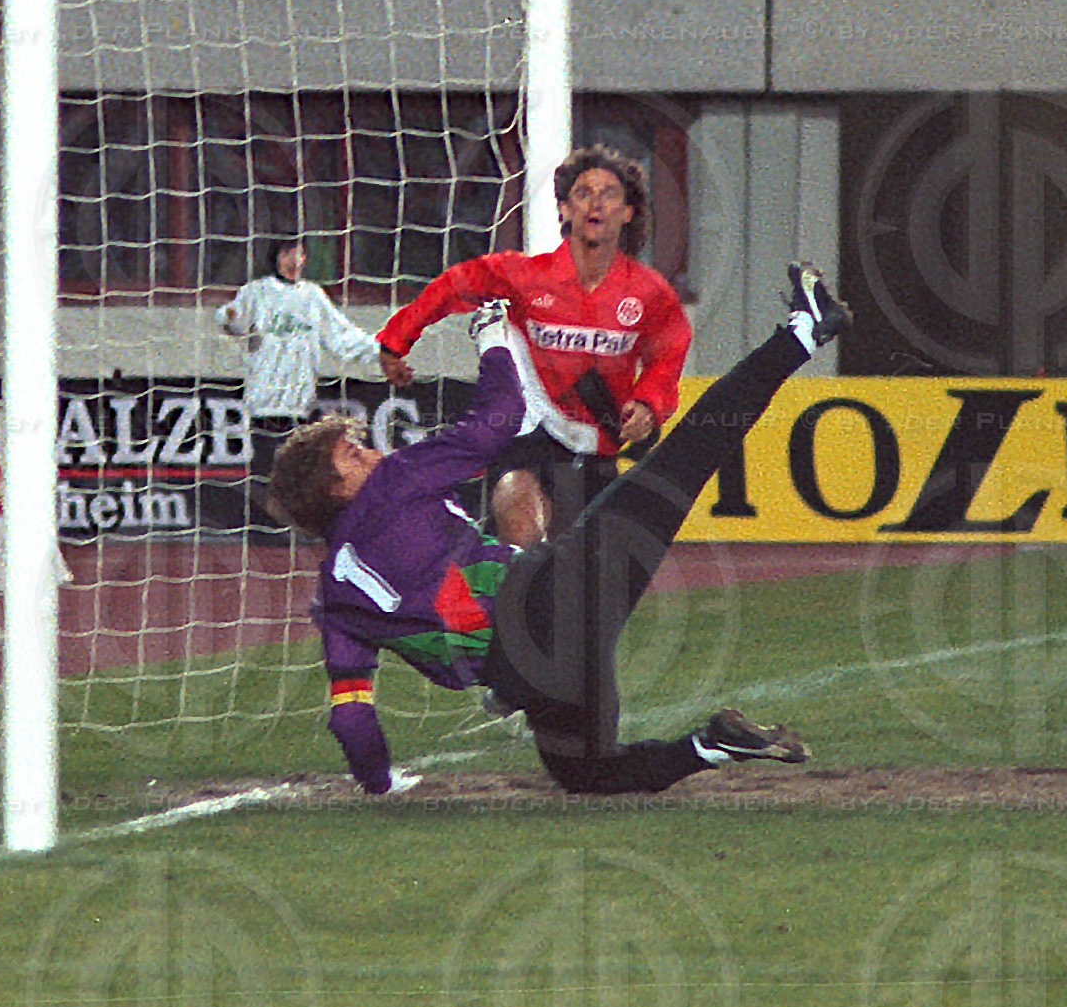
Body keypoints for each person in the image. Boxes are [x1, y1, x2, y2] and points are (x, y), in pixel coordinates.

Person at [266, 263, 847, 796]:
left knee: (586, 773)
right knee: (685, 456)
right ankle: (803, 330)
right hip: (549, 597)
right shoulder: (393, 482)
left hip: (527, 676)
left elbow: (350, 713)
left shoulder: (333, 601)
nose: (368, 453)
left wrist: (379, 782)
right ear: (334, 487)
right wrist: (492, 337)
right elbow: (497, 424)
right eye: (352, 454)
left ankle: (712, 746)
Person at [375, 145, 689, 548]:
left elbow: (668, 356)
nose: (595, 203)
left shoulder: (650, 293)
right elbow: (454, 285)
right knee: (522, 530)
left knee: (577, 578)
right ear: (564, 210)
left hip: (594, 446)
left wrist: (648, 404)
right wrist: (397, 339)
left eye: (609, 193)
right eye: (582, 192)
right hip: (526, 434)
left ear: (627, 212)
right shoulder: (526, 276)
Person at [219, 237, 388, 424]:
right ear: (275, 258)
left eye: (298, 254)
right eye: (287, 254)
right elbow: (235, 321)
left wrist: (381, 349)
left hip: (300, 407)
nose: (294, 261)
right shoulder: (256, 291)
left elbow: (341, 337)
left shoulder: (313, 296)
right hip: (261, 405)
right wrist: (229, 315)